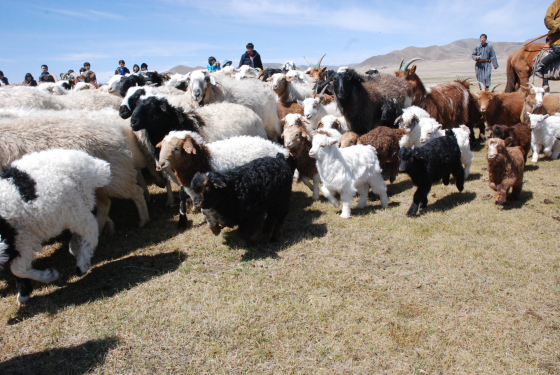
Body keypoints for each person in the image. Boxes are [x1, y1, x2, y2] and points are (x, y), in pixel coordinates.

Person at [535, 0, 560, 77]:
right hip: (558, 38)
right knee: (559, 51)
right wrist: (557, 26)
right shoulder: (556, 3)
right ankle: (540, 66)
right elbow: (548, 19)